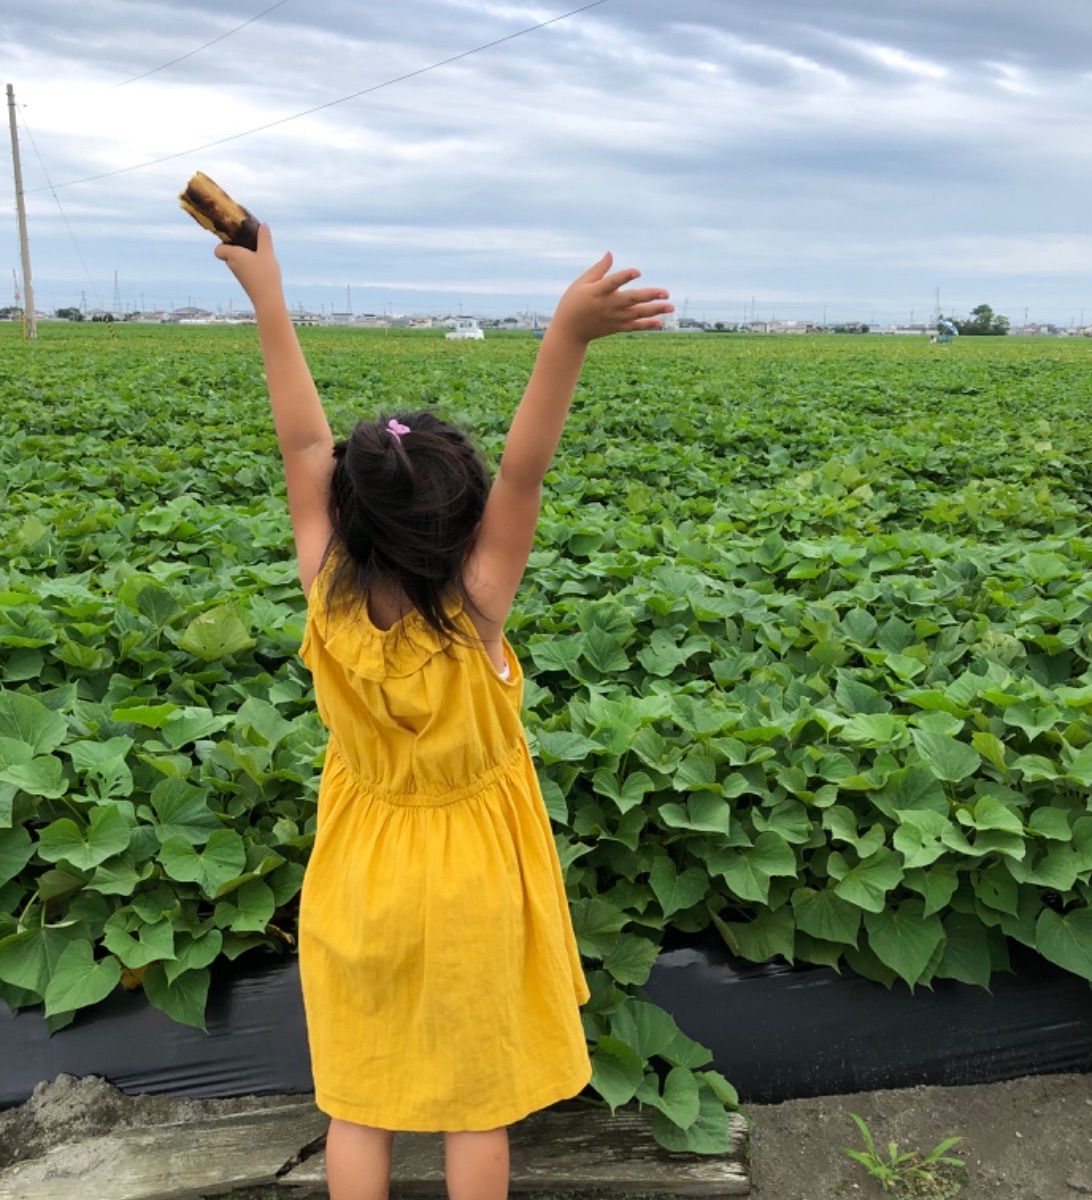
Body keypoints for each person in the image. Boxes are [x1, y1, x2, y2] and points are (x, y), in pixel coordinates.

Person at [214, 225, 673, 1200]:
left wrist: (269, 294)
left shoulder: (327, 591)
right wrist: (567, 337)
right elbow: (525, 471)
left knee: (358, 1102)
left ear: (346, 512)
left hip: (361, 869)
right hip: (469, 880)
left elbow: (301, 437)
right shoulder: (475, 611)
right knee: (476, 1109)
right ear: (463, 528)